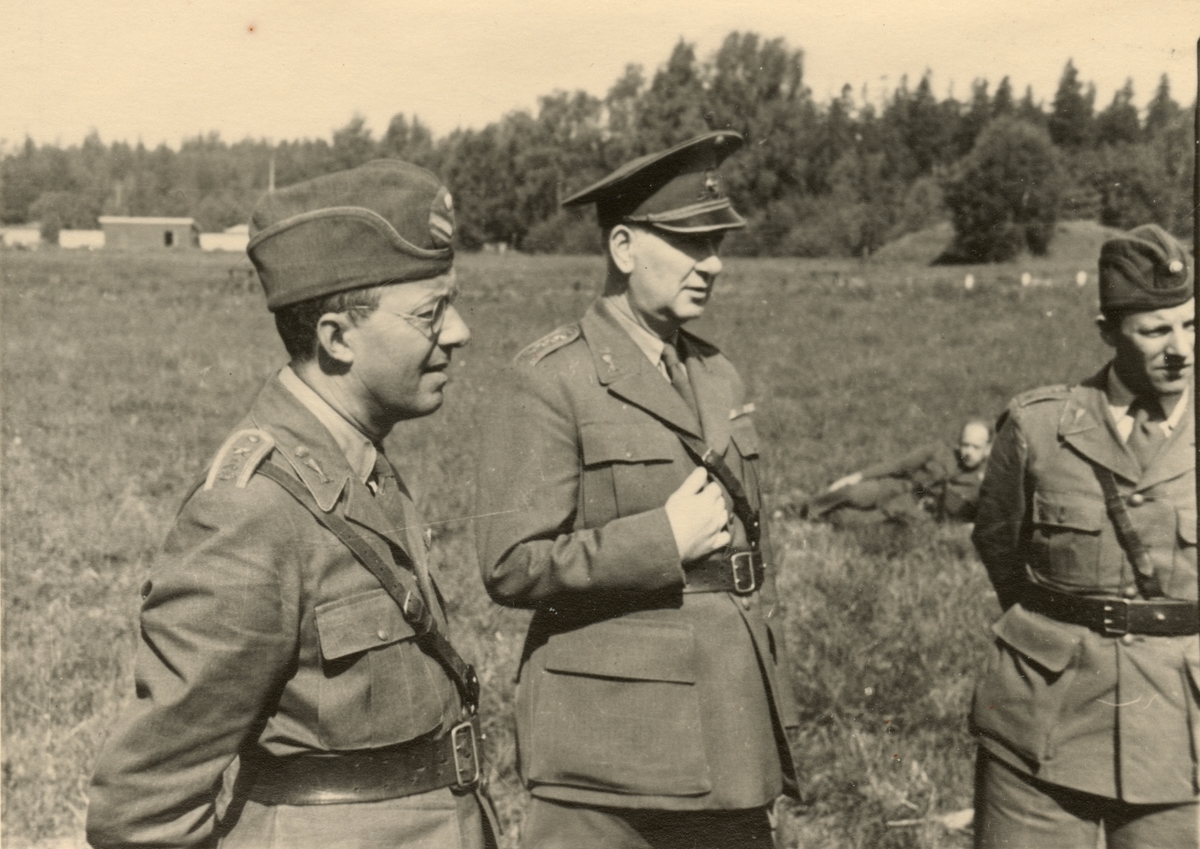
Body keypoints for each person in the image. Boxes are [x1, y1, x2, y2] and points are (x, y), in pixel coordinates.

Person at [87, 160, 496, 849]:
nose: (459, 331)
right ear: (337, 338)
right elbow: (142, 807)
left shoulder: (359, 465)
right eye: (430, 313)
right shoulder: (252, 511)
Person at [476, 131, 799, 849]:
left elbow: (750, 559)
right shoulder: (551, 378)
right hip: (611, 746)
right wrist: (661, 541)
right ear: (623, 248)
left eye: (717, 243)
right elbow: (510, 563)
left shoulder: (717, 374)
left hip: (729, 728)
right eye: (689, 243)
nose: (712, 264)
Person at [969, 222, 1197, 848]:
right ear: (1108, 331)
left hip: (1183, 735)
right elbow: (999, 544)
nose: (1180, 348)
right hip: (1041, 721)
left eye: (1191, 324)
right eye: (1155, 330)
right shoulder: (1038, 428)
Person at [804, 419, 993, 525]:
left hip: (911, 508)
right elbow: (898, 465)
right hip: (897, 486)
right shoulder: (939, 450)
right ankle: (803, 508)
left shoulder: (989, 478)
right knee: (853, 493)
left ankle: (827, 517)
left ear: (987, 449)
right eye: (965, 445)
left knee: (853, 521)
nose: (968, 452)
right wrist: (857, 476)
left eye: (976, 447)